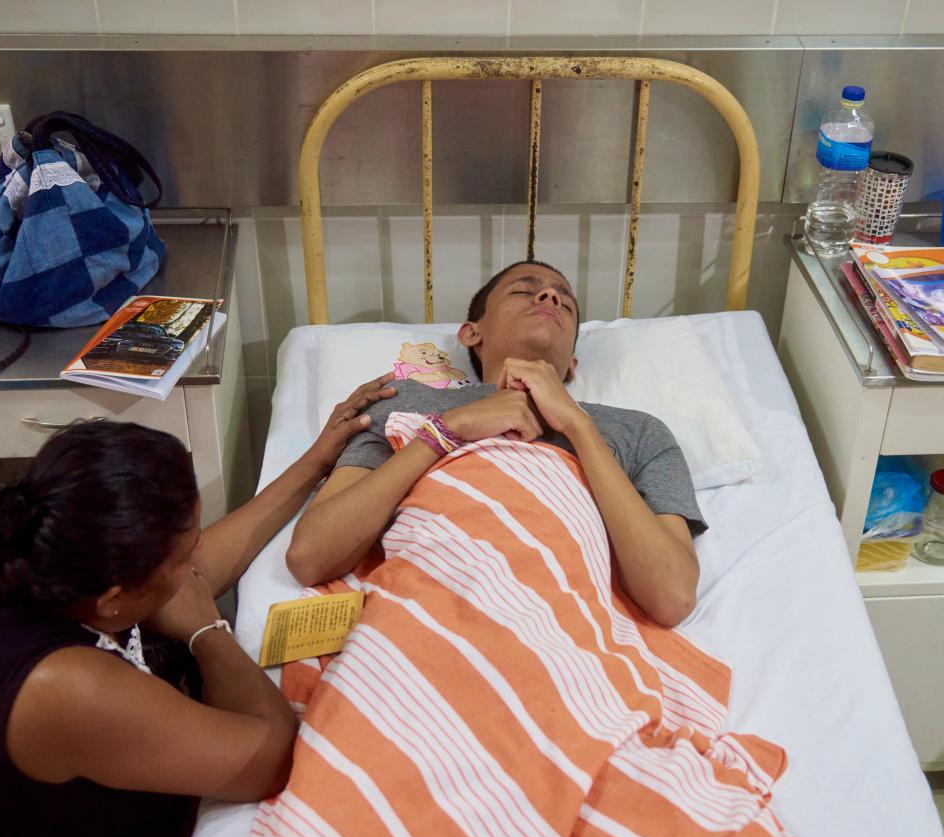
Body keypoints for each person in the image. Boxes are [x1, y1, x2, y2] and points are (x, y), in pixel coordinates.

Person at [0, 375, 395, 837]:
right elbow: (269, 760)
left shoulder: (22, 561)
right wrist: (208, 632)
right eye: (179, 557)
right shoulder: (64, 688)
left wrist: (316, 462)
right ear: (116, 597)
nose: (193, 563)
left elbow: (188, 574)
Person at [286, 260, 705, 627]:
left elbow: (670, 598)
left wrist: (578, 427)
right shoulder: (406, 402)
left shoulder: (639, 431)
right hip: (425, 616)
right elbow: (312, 556)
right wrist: (445, 432)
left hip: (562, 626)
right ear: (471, 333)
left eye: (566, 301)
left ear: (573, 365)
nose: (548, 295)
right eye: (525, 289)